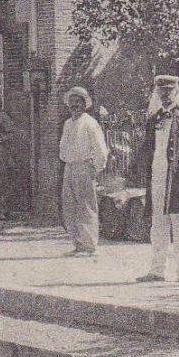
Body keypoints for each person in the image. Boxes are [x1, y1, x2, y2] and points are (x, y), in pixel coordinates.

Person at [135, 75, 179, 283]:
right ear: (156, 93)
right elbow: (147, 151)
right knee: (158, 224)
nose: (165, 95)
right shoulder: (153, 119)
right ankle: (157, 270)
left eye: (169, 91)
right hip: (157, 176)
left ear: (176, 92)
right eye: (161, 91)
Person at [59, 86, 111, 256]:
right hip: (69, 167)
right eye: (72, 102)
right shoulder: (68, 123)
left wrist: (95, 168)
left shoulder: (90, 123)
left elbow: (101, 149)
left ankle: (89, 246)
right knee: (70, 206)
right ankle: (78, 244)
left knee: (86, 207)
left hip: (84, 166)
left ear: (84, 104)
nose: (74, 105)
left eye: (78, 102)